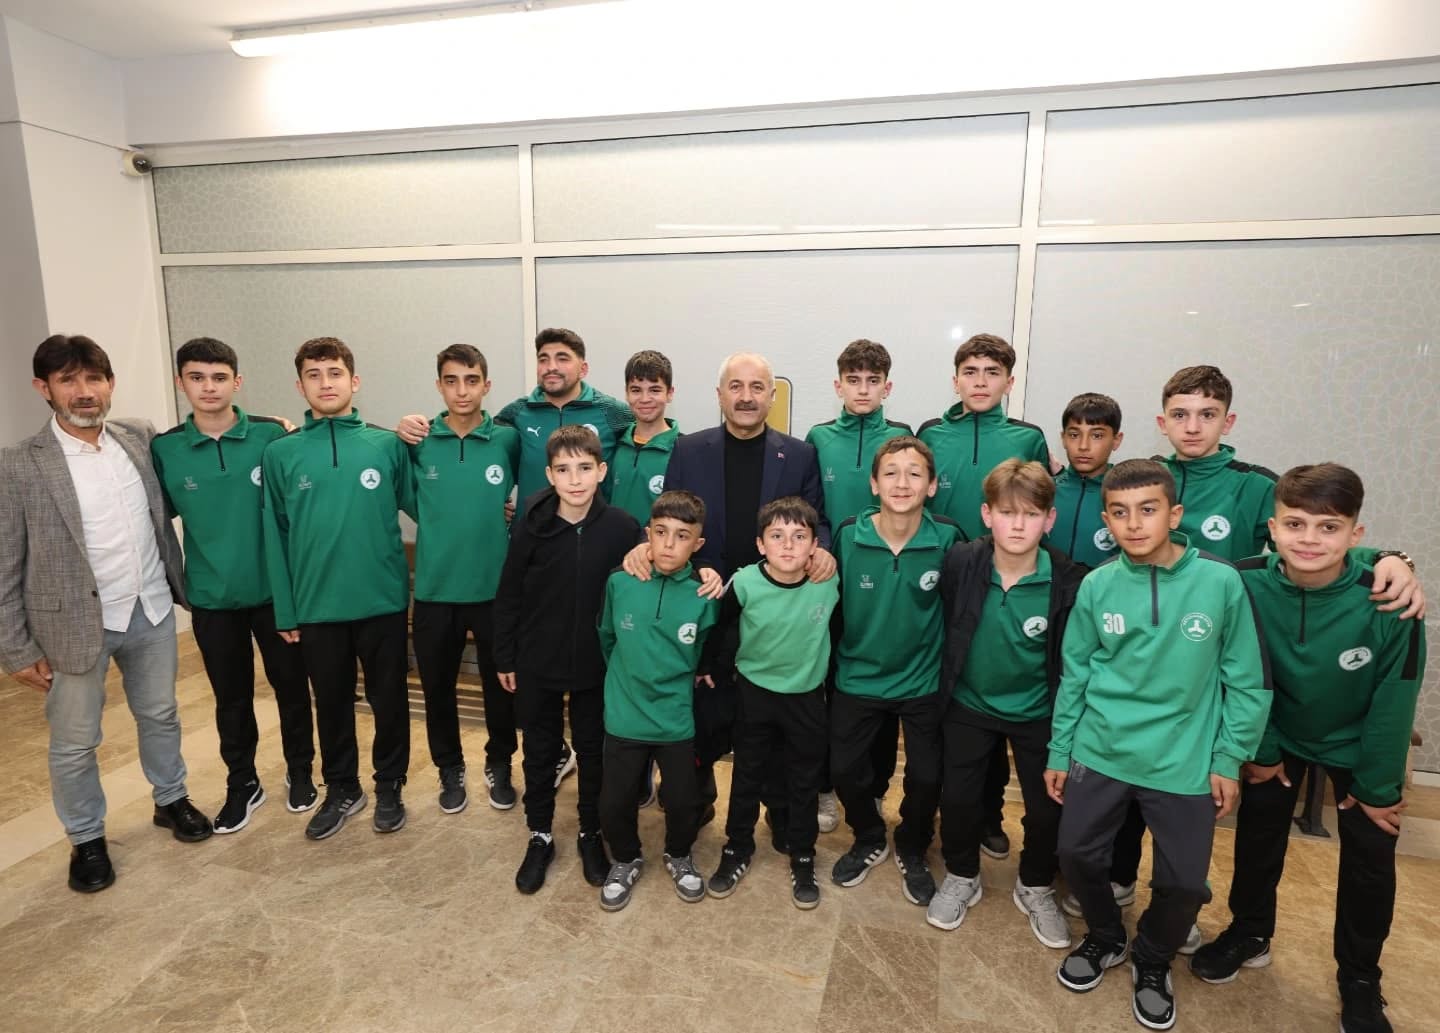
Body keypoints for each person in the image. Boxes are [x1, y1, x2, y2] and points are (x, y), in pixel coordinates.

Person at [1189, 464, 1427, 1033]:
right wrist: (1262, 749)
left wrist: (1377, 788)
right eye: (1295, 524)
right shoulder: (1244, 582)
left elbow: (1396, 697)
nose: (1310, 540)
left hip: (1358, 742)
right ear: (1272, 529)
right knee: (1258, 837)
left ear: (1355, 534)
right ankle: (1250, 931)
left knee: (1371, 861)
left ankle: (1360, 977)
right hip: (1276, 731)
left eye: (1329, 527)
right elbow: (1243, 672)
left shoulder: (1389, 599)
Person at [1045, 458, 1270, 1032]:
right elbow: (1075, 674)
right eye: (1120, 513)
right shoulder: (1097, 585)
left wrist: (1228, 758)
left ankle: (1152, 957)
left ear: (1175, 514)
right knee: (1076, 856)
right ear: (1106, 520)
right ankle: (1105, 936)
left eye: (1148, 510)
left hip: (1184, 759)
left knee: (1185, 883)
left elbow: (1247, 680)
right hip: (1101, 748)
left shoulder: (1220, 582)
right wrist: (1059, 750)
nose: (1134, 524)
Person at [0, 334, 211, 893]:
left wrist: (277, 427)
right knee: (75, 742)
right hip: (70, 626)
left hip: (150, 608)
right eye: (68, 380)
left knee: (160, 714)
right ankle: (87, 838)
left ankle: (171, 799)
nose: (84, 391)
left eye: (94, 378)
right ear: (43, 388)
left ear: (110, 383)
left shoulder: (138, 438)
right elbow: (4, 563)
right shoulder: (18, 464)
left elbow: (200, 439)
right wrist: (15, 648)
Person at [626, 352, 831, 822]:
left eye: (756, 387)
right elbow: (668, 517)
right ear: (720, 395)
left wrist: (821, 549)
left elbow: (817, 520)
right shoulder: (688, 449)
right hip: (705, 596)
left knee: (772, 713)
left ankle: (779, 809)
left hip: (775, 604)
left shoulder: (799, 454)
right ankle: (697, 798)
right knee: (703, 708)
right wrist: (649, 546)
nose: (746, 397)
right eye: (735, 387)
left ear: (772, 396)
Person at [151, 337, 316, 831]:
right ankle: (242, 783)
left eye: (219, 377)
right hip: (212, 598)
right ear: (181, 383)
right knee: (232, 699)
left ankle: (301, 772)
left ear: (237, 382)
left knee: (292, 689)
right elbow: (153, 519)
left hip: (275, 596)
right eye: (197, 377)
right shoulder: (164, 450)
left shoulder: (272, 436)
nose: (209, 387)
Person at [261, 337, 416, 840]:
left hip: (382, 600)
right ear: (300, 385)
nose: (325, 383)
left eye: (334, 373)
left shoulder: (387, 445)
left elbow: (426, 508)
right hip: (317, 606)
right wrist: (286, 611)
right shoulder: (281, 453)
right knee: (330, 703)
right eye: (314, 374)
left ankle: (389, 785)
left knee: (389, 699)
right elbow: (275, 534)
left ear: (355, 381)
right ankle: (343, 788)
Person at [927, 459, 1085, 950]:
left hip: (1038, 711)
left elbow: (1075, 662)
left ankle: (1035, 884)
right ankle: (961, 874)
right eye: (1007, 513)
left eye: (1031, 514)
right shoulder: (961, 562)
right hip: (969, 704)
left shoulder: (1069, 582)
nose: (1018, 525)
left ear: (1049, 519)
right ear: (986, 514)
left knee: (1047, 810)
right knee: (959, 799)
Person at [494, 425, 642, 894]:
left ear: (601, 471)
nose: (574, 479)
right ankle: (539, 833)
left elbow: (643, 587)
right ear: (549, 475)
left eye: (584, 468)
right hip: (537, 659)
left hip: (596, 664)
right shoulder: (530, 526)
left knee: (594, 753)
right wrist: (505, 655)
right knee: (539, 752)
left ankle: (589, 833)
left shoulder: (622, 528)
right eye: (563, 470)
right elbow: (510, 593)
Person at [920, 332, 1048, 861]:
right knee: (956, 699)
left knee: (993, 693)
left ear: (1009, 382)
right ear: (955, 380)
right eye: (970, 372)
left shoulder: (1028, 438)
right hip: (948, 576)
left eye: (992, 373)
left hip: (1006, 578)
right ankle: (950, 811)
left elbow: (1036, 505)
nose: (980, 382)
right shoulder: (931, 432)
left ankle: (990, 816)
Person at [827, 436, 961, 906]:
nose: (902, 483)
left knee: (927, 777)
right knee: (843, 769)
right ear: (873, 483)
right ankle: (868, 836)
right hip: (858, 676)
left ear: (931, 486)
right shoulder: (848, 535)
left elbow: (961, 609)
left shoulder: (949, 538)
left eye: (914, 473)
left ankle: (912, 843)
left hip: (922, 680)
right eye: (891, 473)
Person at [706, 497, 839, 910]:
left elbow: (840, 630)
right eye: (777, 536)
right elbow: (720, 627)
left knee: (804, 780)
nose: (788, 545)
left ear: (815, 545)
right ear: (760, 544)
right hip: (754, 695)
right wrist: (710, 667)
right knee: (747, 775)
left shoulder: (828, 581)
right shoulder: (745, 582)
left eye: (799, 537)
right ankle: (737, 847)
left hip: (806, 698)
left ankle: (803, 855)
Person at [408, 344, 521, 813]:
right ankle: (449, 768)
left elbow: (540, 488)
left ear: (486, 386)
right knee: (437, 690)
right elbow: (410, 499)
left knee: (502, 689)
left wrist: (508, 514)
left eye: (471, 380)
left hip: (494, 591)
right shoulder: (417, 441)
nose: (462, 391)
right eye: (451, 381)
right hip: (435, 591)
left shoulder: (508, 440)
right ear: (439, 386)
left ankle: (500, 762)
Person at [805, 339, 912, 833]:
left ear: (887, 387)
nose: (863, 389)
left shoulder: (903, 437)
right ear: (838, 385)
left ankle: (874, 789)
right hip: (827, 581)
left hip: (884, 587)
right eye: (853, 380)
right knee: (826, 689)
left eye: (873, 381)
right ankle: (825, 787)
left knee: (881, 694)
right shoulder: (819, 437)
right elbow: (811, 508)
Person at [595, 489, 720, 911]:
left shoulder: (704, 594)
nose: (669, 544)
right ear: (647, 533)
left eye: (682, 536)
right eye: (661, 532)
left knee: (684, 801)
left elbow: (702, 650)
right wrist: (628, 679)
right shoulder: (620, 581)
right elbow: (607, 638)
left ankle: (679, 854)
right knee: (614, 801)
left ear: (698, 544)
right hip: (625, 714)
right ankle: (626, 859)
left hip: (675, 719)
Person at [399, 328, 632, 522]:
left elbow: (647, 436)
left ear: (583, 368)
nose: (551, 366)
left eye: (562, 358)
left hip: (593, 533)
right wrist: (419, 426)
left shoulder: (612, 412)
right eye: (543, 359)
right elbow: (470, 431)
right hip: (532, 536)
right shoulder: (517, 412)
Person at [1152, 365, 1276, 562]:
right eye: (1179, 415)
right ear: (1163, 423)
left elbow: (1294, 563)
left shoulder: (1259, 486)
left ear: (1227, 423)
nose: (1192, 428)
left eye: (1207, 415)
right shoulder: (1146, 478)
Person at [1046, 392, 1124, 568]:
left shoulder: (1126, 496)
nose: (1083, 446)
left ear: (1116, 440)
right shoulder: (1044, 492)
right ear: (1063, 438)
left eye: (1097, 436)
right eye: (1074, 435)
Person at [610, 350, 681, 527]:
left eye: (654, 390)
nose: (644, 399)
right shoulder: (615, 443)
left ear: (670, 393)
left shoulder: (683, 450)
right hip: (612, 543)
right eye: (636, 390)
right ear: (626, 393)